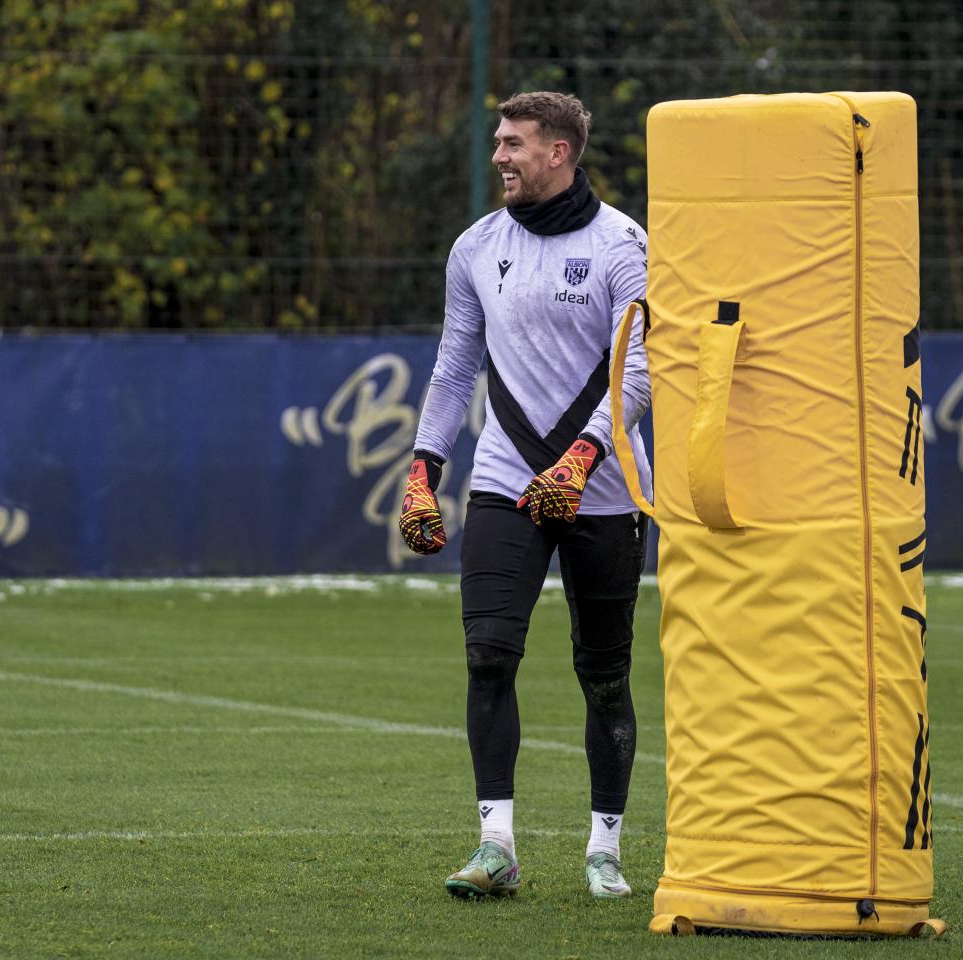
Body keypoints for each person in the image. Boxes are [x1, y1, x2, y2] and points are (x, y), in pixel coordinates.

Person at [397, 90, 652, 901]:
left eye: (515, 143)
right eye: (499, 142)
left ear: (560, 153)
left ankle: (604, 848)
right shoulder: (475, 247)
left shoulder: (625, 244)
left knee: (604, 675)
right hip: (506, 479)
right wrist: (422, 468)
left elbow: (640, 370)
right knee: (487, 656)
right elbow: (453, 367)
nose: (500, 155)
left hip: (605, 485)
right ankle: (495, 845)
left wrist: (582, 457)